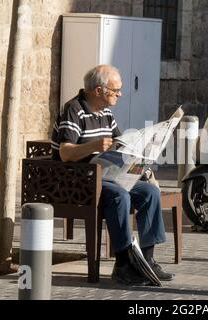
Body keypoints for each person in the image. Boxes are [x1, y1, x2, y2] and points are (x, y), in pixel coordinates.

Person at [51, 65, 174, 285]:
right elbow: (65, 152)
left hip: (106, 175)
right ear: (98, 90)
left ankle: (147, 260)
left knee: (149, 192)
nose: (120, 94)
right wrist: (95, 146)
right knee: (120, 196)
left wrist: (140, 153)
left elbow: (120, 145)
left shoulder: (106, 113)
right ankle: (124, 264)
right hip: (78, 180)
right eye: (115, 90)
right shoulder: (74, 110)